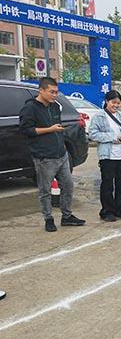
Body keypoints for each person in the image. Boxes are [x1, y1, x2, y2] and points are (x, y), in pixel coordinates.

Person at [19, 77, 86, 232]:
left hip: (61, 154)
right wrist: (50, 129)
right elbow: (26, 130)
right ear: (41, 90)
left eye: (56, 92)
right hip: (44, 157)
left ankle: (67, 216)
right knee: (45, 190)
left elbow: (57, 127)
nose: (55, 95)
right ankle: (48, 218)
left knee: (68, 186)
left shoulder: (55, 107)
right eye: (51, 92)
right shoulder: (30, 108)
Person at [89, 91, 121, 222]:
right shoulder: (99, 116)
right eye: (113, 102)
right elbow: (92, 134)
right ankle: (107, 211)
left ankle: (120, 208)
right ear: (106, 101)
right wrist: (111, 138)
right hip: (107, 156)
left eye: (118, 103)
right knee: (107, 184)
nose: (115, 105)